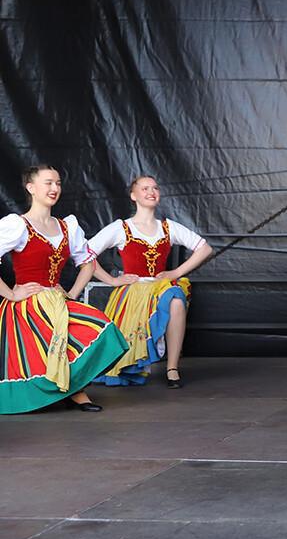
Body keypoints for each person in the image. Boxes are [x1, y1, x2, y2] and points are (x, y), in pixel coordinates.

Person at [0, 164, 128, 414]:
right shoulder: (17, 225)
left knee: (98, 326)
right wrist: (12, 293)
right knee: (34, 356)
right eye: (48, 183)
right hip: (28, 305)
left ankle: (74, 388)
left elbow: (89, 264)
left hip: (57, 298)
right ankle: (70, 392)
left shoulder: (67, 226)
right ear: (31, 187)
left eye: (57, 183)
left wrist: (71, 294)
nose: (54, 188)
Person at [89, 175, 212, 388]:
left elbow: (205, 248)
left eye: (155, 188)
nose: (151, 192)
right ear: (133, 195)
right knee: (172, 299)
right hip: (133, 292)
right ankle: (134, 365)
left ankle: (172, 368)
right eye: (145, 188)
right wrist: (111, 280)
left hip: (160, 286)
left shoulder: (168, 227)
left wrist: (176, 272)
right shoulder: (121, 228)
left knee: (175, 298)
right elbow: (85, 254)